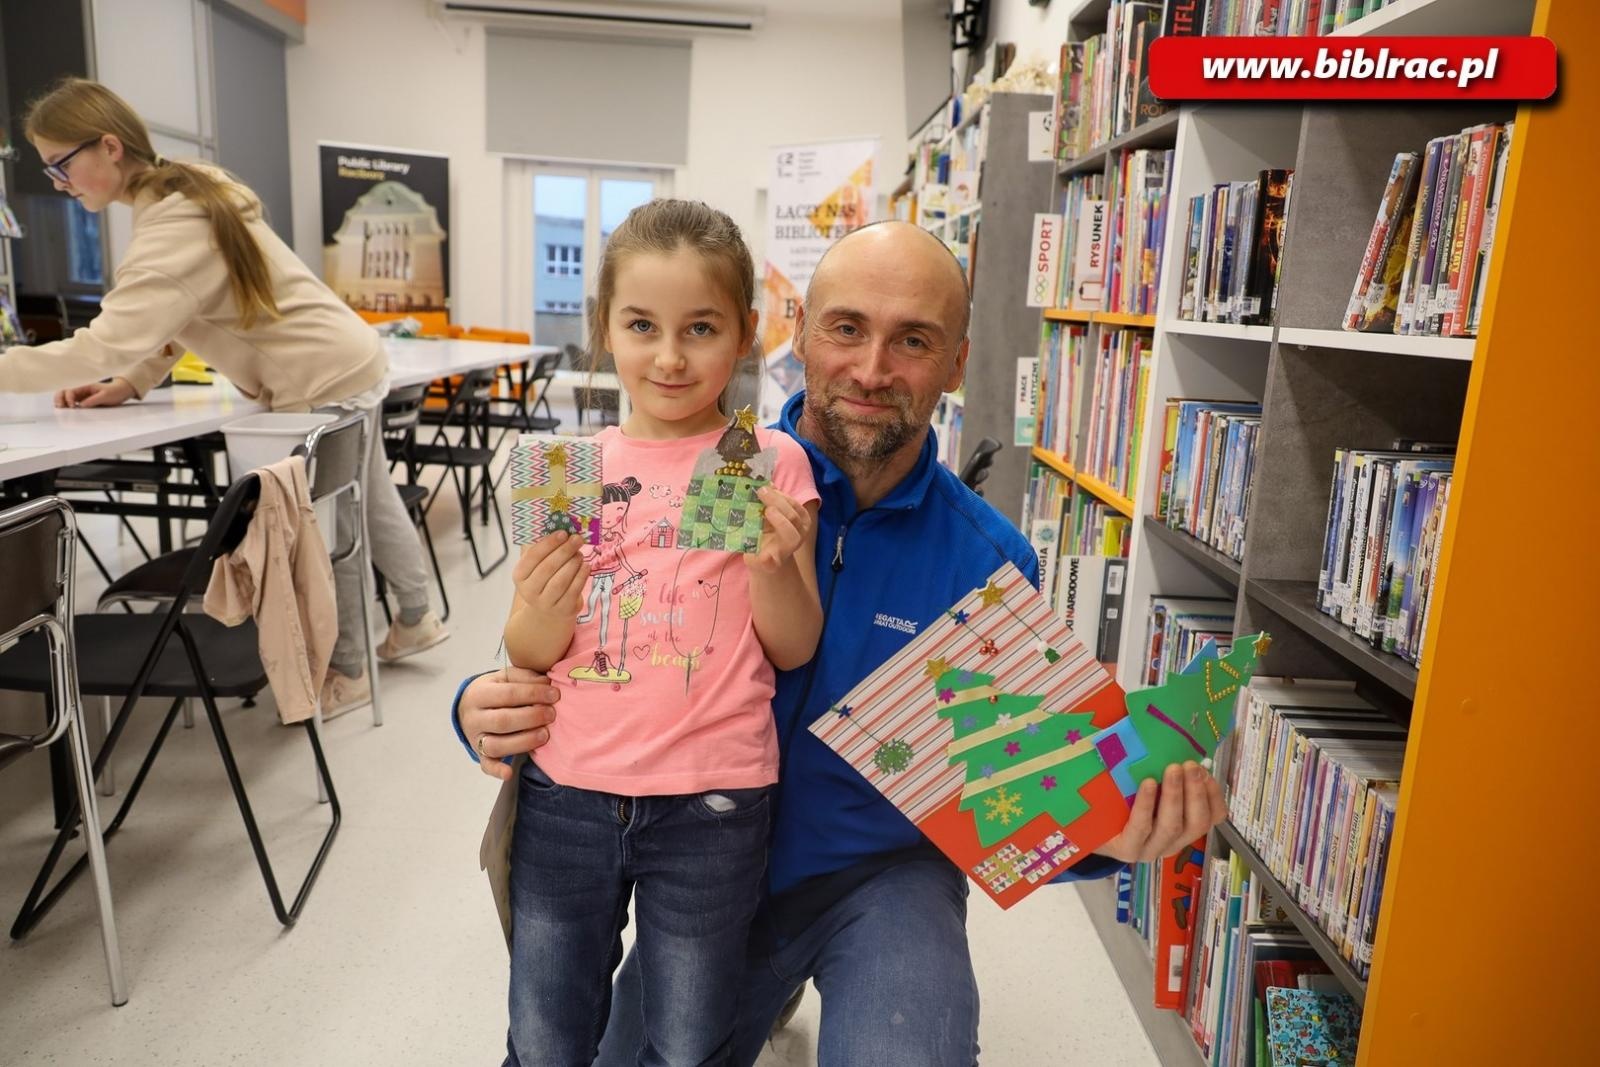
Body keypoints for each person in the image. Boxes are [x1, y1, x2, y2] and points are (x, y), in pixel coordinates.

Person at [455, 222, 1227, 1066]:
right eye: (847, 327)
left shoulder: (988, 560)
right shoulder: (714, 474)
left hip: (881, 876)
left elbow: (1018, 777)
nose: (871, 369)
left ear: (957, 364)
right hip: (704, 858)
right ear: (798, 334)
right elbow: (604, 624)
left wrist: (1104, 837)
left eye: (914, 340)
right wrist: (477, 705)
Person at [495, 198, 823, 1066]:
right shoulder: (566, 468)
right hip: (567, 790)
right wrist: (539, 607)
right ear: (604, 326)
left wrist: (770, 564)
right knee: (544, 1027)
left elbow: (793, 647)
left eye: (701, 327)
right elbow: (529, 653)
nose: (670, 356)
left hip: (713, 799)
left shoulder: (758, 460)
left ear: (746, 333)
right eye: (642, 324)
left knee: (687, 1040)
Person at [0, 78, 446, 715]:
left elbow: (105, 341)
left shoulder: (169, 227)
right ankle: (416, 615)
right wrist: (132, 383)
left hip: (319, 376)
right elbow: (181, 314)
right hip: (343, 358)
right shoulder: (187, 190)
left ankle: (346, 669)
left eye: (60, 164)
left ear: (108, 146)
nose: (57, 183)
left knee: (325, 528)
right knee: (365, 499)